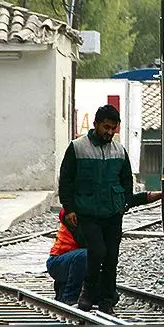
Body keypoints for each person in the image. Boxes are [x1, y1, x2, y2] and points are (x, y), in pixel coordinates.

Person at [58, 104, 134, 314]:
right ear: (96, 124)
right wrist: (70, 208)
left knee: (111, 257)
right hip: (87, 213)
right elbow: (66, 180)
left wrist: (123, 203)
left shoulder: (119, 151)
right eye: (106, 127)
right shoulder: (77, 147)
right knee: (97, 252)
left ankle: (107, 300)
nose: (109, 132)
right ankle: (88, 293)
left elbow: (127, 179)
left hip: (112, 214)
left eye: (113, 129)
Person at [46, 190, 162, 306]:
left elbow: (136, 199)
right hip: (58, 262)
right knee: (86, 255)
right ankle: (69, 297)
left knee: (109, 295)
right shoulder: (77, 213)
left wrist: (163, 193)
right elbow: (89, 243)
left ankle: (63, 290)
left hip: (79, 263)